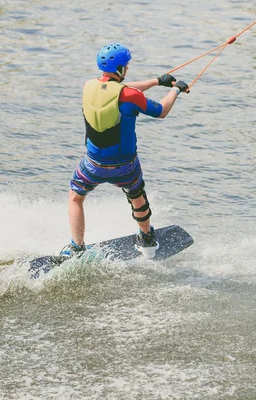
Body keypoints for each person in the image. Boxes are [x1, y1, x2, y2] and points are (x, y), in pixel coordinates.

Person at [60, 43, 189, 259]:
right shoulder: (130, 95)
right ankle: (147, 238)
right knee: (136, 194)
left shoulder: (87, 87)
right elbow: (161, 110)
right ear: (122, 69)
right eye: (126, 66)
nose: (127, 69)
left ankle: (77, 247)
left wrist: (157, 81)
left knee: (75, 196)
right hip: (125, 167)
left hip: (93, 165)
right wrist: (176, 89)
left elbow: (118, 89)